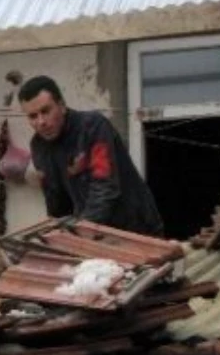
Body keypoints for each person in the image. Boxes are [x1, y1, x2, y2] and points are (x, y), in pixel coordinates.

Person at [17, 75, 164, 237]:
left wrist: (82, 230)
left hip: (136, 228)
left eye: (45, 111)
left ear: (62, 106)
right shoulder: (39, 146)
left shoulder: (93, 127)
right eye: (32, 116)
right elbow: (56, 200)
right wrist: (60, 234)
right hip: (94, 233)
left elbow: (105, 188)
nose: (41, 122)